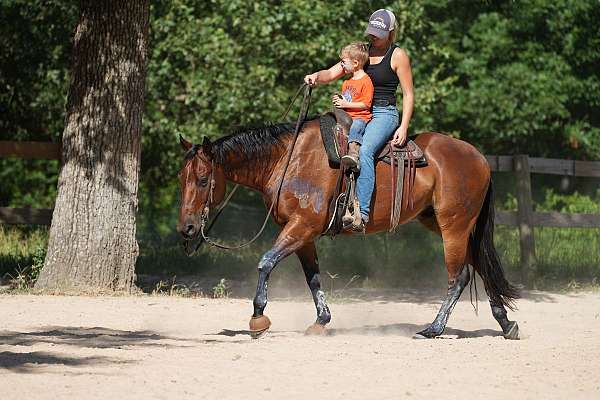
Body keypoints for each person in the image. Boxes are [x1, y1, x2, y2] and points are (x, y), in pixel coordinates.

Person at [304, 9, 414, 231]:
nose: (373, 37)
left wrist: (403, 125)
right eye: (371, 32)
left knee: (364, 152)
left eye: (378, 33)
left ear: (390, 33)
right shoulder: (361, 53)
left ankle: (360, 213)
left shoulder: (397, 55)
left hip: (383, 114)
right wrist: (316, 76)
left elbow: (408, 93)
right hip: (356, 113)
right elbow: (333, 72)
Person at [333, 42, 374, 172]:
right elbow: (348, 99)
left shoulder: (366, 81)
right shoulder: (347, 82)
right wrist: (340, 100)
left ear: (355, 63)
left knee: (356, 127)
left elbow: (365, 104)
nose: (341, 64)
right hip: (347, 117)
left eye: (344, 61)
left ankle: (354, 155)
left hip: (360, 117)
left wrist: (346, 104)